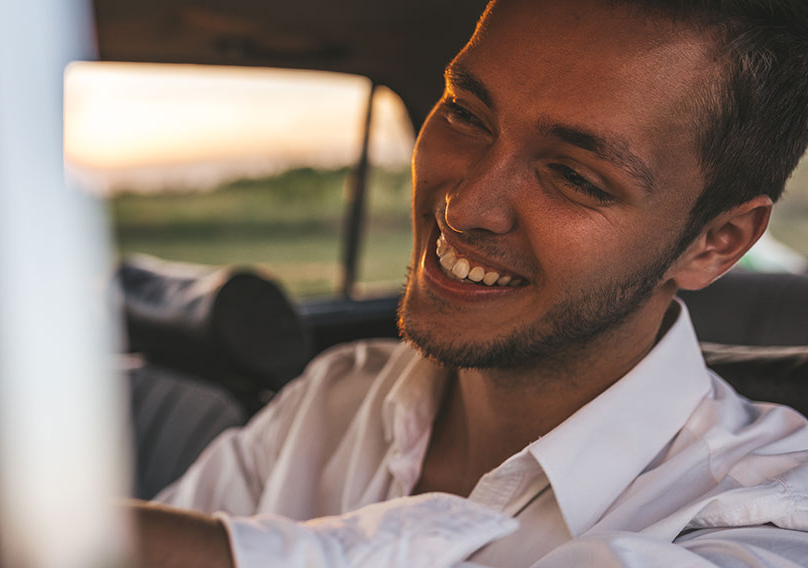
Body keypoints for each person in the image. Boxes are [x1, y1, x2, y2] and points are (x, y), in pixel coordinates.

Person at [134, 0, 808, 565]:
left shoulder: (771, 512)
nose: (467, 205)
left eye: (573, 176)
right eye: (465, 113)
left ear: (715, 242)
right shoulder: (335, 398)